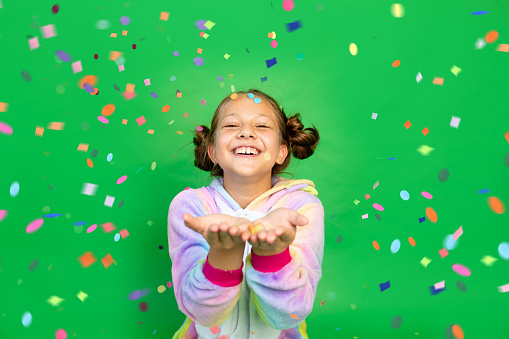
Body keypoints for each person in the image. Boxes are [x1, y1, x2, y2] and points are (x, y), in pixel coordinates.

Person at [168, 89, 324, 338]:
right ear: (213, 152)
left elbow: (291, 314)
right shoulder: (189, 207)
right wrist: (223, 255)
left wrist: (271, 254)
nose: (246, 132)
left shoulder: (301, 207)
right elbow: (202, 314)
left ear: (281, 152)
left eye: (262, 125)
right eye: (231, 125)